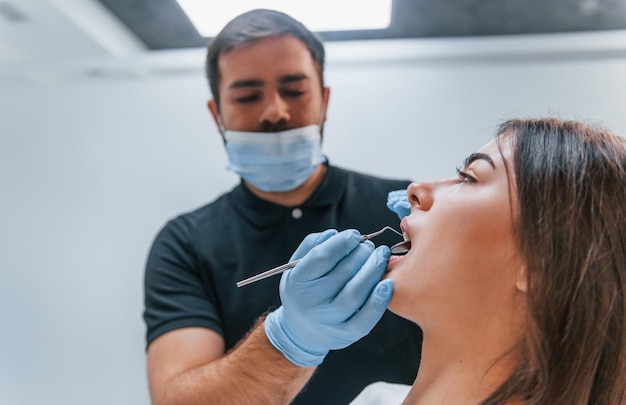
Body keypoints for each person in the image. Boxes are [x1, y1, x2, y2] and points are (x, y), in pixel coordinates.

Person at [143, 8, 422, 405]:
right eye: (247, 95)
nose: (275, 111)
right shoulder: (186, 244)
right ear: (216, 114)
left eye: (294, 90)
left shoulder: (408, 210)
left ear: (324, 101)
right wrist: (290, 339)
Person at [275, 117, 625, 404]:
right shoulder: (375, 399)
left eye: (469, 178)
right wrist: (288, 342)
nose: (416, 189)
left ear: (544, 262)